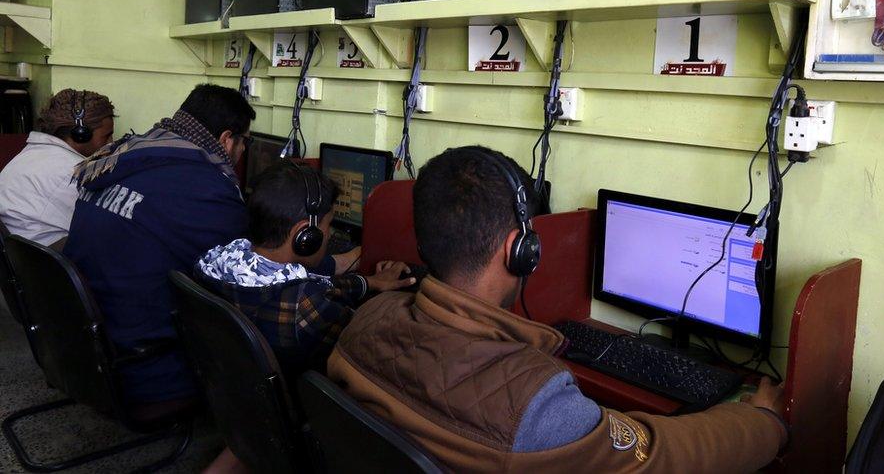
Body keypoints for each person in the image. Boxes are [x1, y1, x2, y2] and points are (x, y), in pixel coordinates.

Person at [327, 146, 788, 473]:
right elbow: (657, 456)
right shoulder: (534, 402)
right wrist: (760, 422)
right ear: (520, 250)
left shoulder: (367, 318)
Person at [64, 84, 254, 409]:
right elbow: (248, 274)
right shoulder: (208, 189)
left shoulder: (126, 154)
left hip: (82, 347)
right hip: (142, 370)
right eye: (244, 142)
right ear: (225, 140)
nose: (242, 152)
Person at [195, 160, 417, 374]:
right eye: (328, 225)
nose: (329, 234)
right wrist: (391, 300)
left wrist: (368, 282)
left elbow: (315, 285)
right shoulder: (307, 308)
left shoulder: (216, 262)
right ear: (304, 235)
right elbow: (373, 342)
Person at [0, 89, 115, 247]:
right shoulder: (72, 172)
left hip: (17, 255)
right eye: (107, 135)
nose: (111, 142)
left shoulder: (31, 153)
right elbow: (105, 227)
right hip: (42, 262)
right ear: (81, 135)